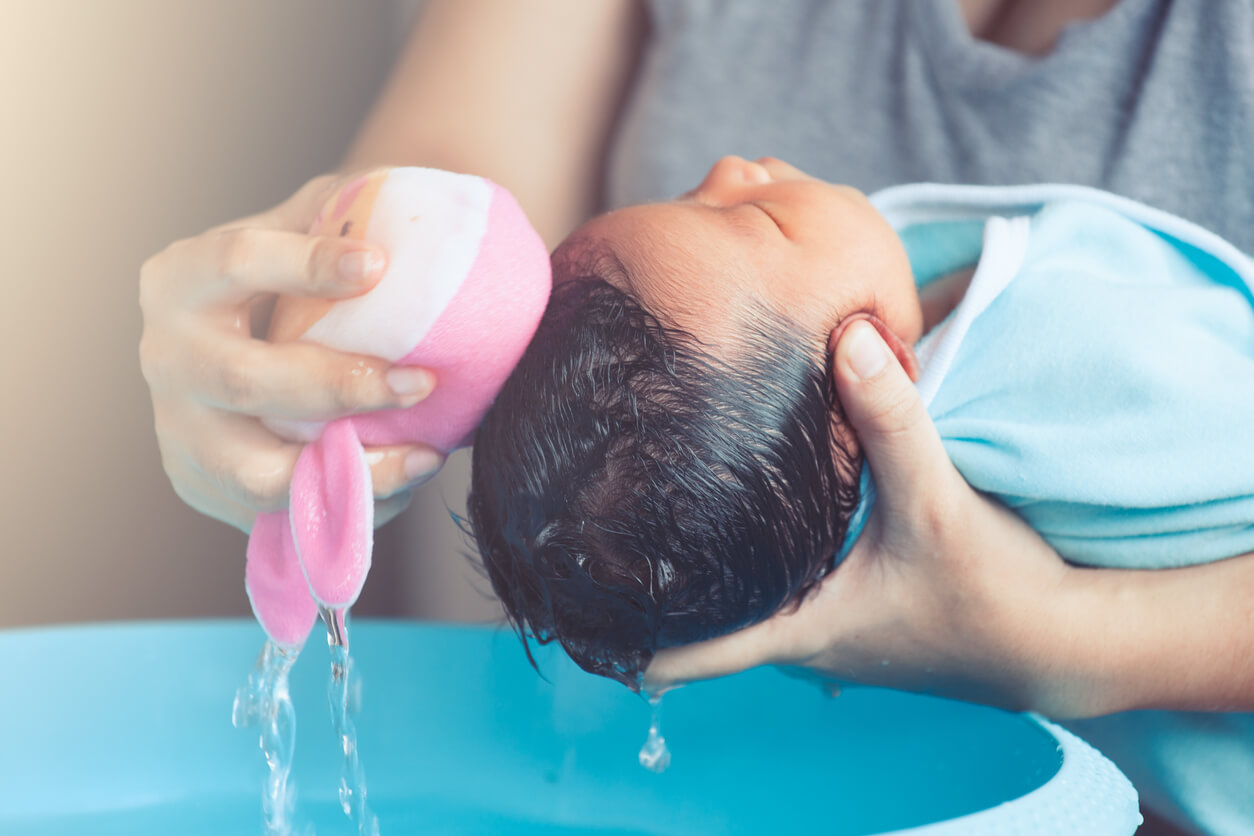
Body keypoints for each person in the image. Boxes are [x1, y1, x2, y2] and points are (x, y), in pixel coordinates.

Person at [138, 2, 1254, 832]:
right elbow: (467, 169)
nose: (729, 164)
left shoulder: (1078, 357)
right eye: (729, 214)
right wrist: (350, 308)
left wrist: (1078, 642)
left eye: (747, 219)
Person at [467, 154, 1254, 703]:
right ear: (876, 365)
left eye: (687, 199)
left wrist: (1076, 641)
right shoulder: (1068, 358)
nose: (729, 169)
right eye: (759, 218)